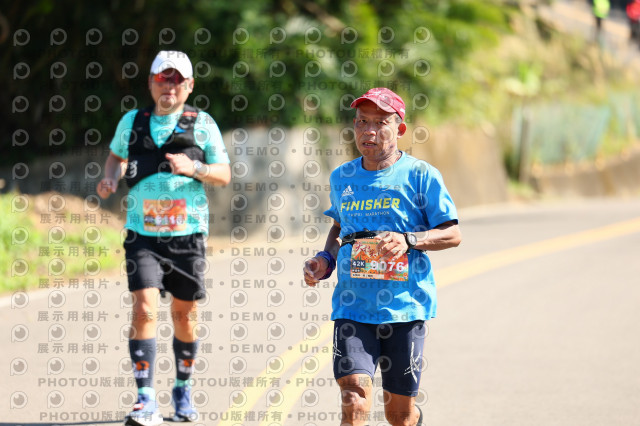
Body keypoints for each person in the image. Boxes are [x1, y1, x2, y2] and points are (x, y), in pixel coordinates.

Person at [303, 88, 461, 426]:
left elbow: (452, 233)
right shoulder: (342, 177)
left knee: (399, 415)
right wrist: (325, 260)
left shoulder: (421, 175)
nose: (369, 131)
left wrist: (409, 240)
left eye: (380, 123)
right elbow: (339, 227)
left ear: (399, 129)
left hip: (405, 309)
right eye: (362, 122)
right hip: (353, 308)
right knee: (353, 398)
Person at [98, 50, 231, 425]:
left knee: (184, 315)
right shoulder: (132, 121)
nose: (168, 86)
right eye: (162, 78)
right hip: (142, 234)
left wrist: (195, 167)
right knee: (143, 308)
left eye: (176, 80)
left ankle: (182, 389)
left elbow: (224, 174)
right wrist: (110, 177)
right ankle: (144, 398)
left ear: (189, 86)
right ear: (151, 83)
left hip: (187, 236)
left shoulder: (202, 123)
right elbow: (115, 157)